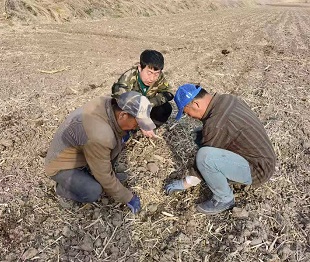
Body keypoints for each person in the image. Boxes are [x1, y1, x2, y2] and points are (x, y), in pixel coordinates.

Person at [165, 84, 276, 215]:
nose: (188, 116)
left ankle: (224, 199)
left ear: (195, 104)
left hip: (259, 169)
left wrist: (186, 182)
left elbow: (205, 156)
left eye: (185, 112)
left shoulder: (216, 124)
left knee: (205, 157)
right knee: (200, 134)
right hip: (265, 158)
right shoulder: (227, 99)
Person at [45, 91, 156, 214]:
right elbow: (104, 176)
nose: (137, 127)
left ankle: (89, 172)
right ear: (123, 115)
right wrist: (128, 197)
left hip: (82, 151)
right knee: (93, 191)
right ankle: (61, 189)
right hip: (61, 165)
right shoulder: (100, 135)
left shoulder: (108, 104)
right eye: (137, 123)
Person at [111, 49, 174, 138]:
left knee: (165, 108)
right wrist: (141, 116)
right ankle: (128, 132)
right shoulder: (127, 78)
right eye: (149, 73)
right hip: (130, 111)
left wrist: (150, 103)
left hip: (146, 108)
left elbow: (169, 93)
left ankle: (151, 128)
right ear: (140, 68)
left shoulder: (159, 77)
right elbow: (120, 101)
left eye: (156, 74)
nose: (152, 78)